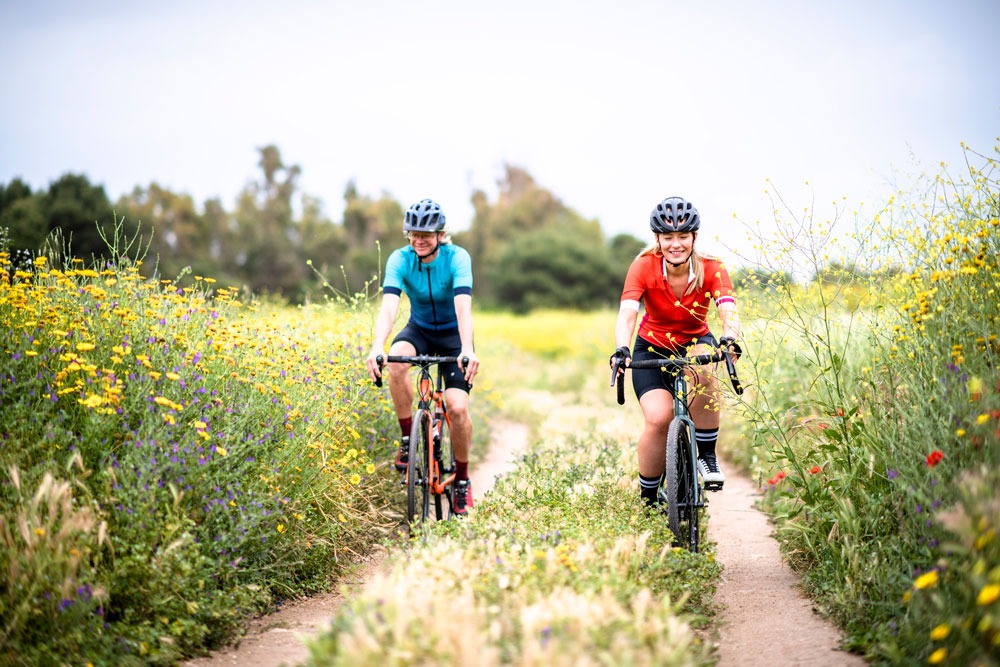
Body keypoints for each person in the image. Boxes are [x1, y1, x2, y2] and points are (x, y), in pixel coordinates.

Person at [611, 196, 741, 506]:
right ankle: (648, 498)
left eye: (683, 236)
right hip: (652, 346)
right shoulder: (643, 265)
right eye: (668, 237)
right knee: (658, 419)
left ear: (694, 237)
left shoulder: (712, 266)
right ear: (657, 238)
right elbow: (628, 313)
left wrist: (731, 337)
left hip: (696, 340)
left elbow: (728, 309)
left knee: (703, 367)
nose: (676, 244)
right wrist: (622, 348)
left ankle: (706, 457)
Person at [366, 198, 480, 515]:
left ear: (440, 235)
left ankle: (462, 480)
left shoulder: (457, 258)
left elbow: (463, 308)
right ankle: (408, 438)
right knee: (394, 361)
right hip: (419, 329)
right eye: (414, 233)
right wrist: (378, 345)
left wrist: (467, 350)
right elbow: (389, 306)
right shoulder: (400, 259)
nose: (419, 239)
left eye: (426, 235)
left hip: (453, 335)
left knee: (457, 408)